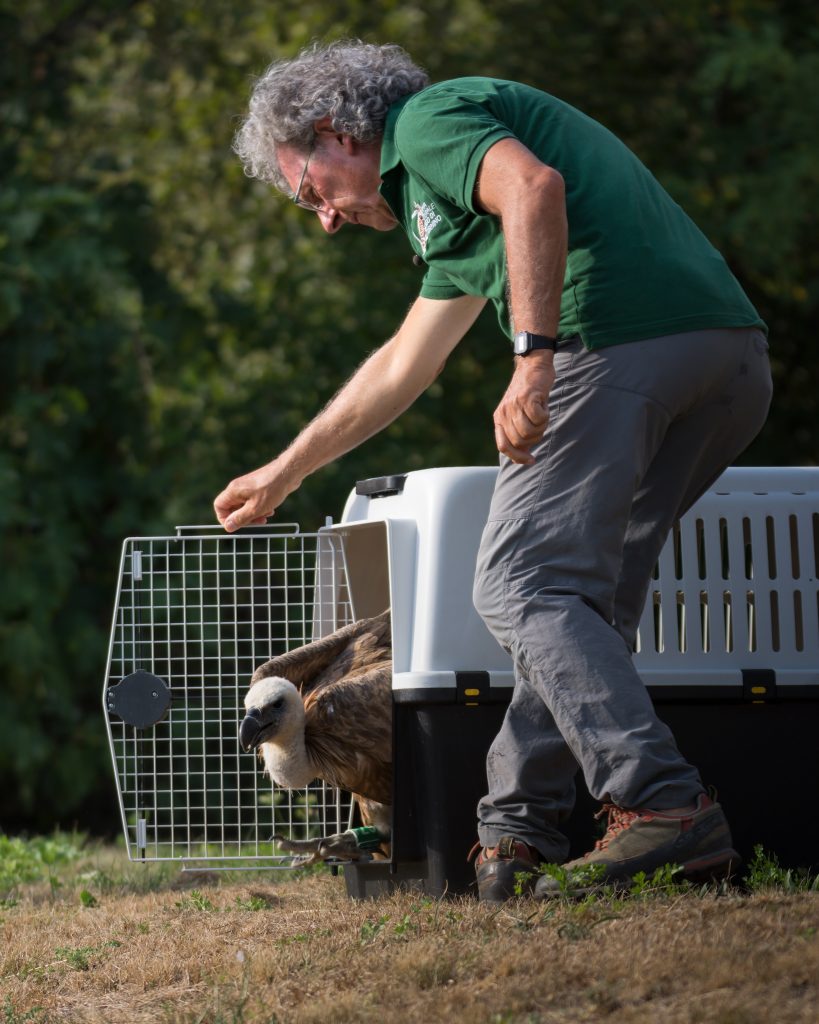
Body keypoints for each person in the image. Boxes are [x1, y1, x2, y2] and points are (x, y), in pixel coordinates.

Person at [215, 40, 772, 902]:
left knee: (518, 582)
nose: (322, 218)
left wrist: (533, 357)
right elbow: (405, 359)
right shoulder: (442, 210)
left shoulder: (425, 123)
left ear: (337, 133)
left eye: (309, 191)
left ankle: (660, 802)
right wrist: (286, 469)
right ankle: (515, 827)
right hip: (725, 360)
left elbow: (531, 188)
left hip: (616, 343)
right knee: (582, 603)